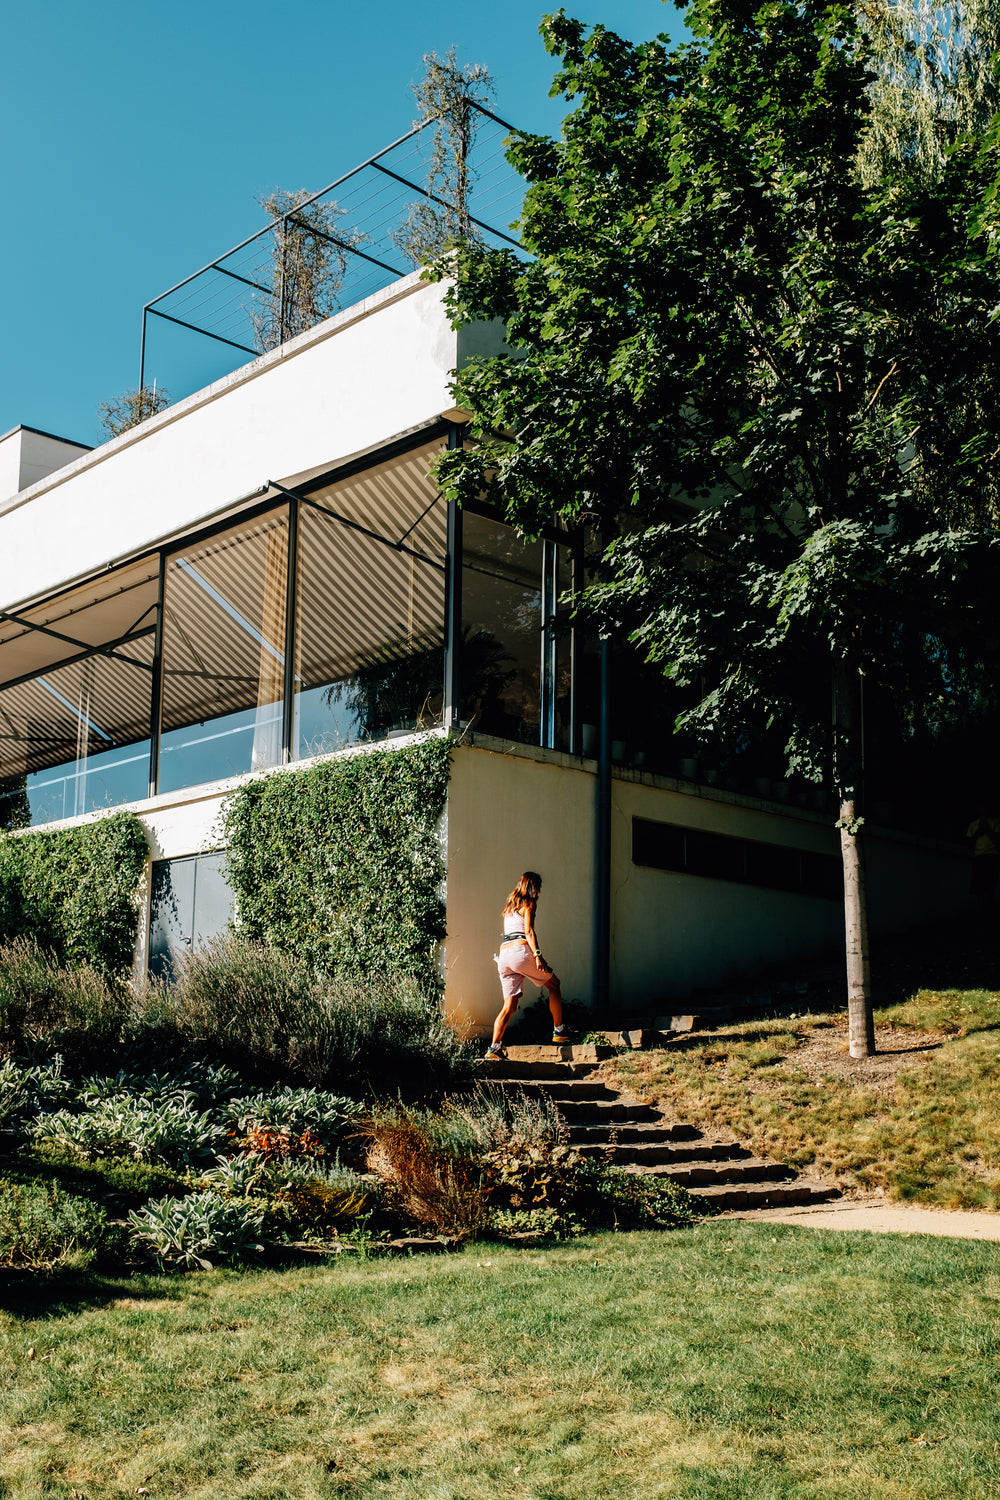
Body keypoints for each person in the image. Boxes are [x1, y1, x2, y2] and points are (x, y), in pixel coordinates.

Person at [485, 871, 575, 1060]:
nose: (540, 891)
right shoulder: (529, 904)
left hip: (504, 956)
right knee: (554, 984)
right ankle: (559, 1031)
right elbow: (528, 931)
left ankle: (494, 1048)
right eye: (538, 887)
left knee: (508, 1006)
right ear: (532, 887)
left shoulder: (508, 908)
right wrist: (537, 955)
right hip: (520, 952)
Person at [966, 801, 1000, 916]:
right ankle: (982, 911)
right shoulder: (973, 824)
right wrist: (979, 832)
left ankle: (990, 908)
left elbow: (997, 840)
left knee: (991, 884)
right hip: (979, 856)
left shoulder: (996, 822)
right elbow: (969, 842)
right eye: (981, 807)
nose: (983, 810)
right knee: (978, 885)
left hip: (992, 855)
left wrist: (987, 829)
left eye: (985, 807)